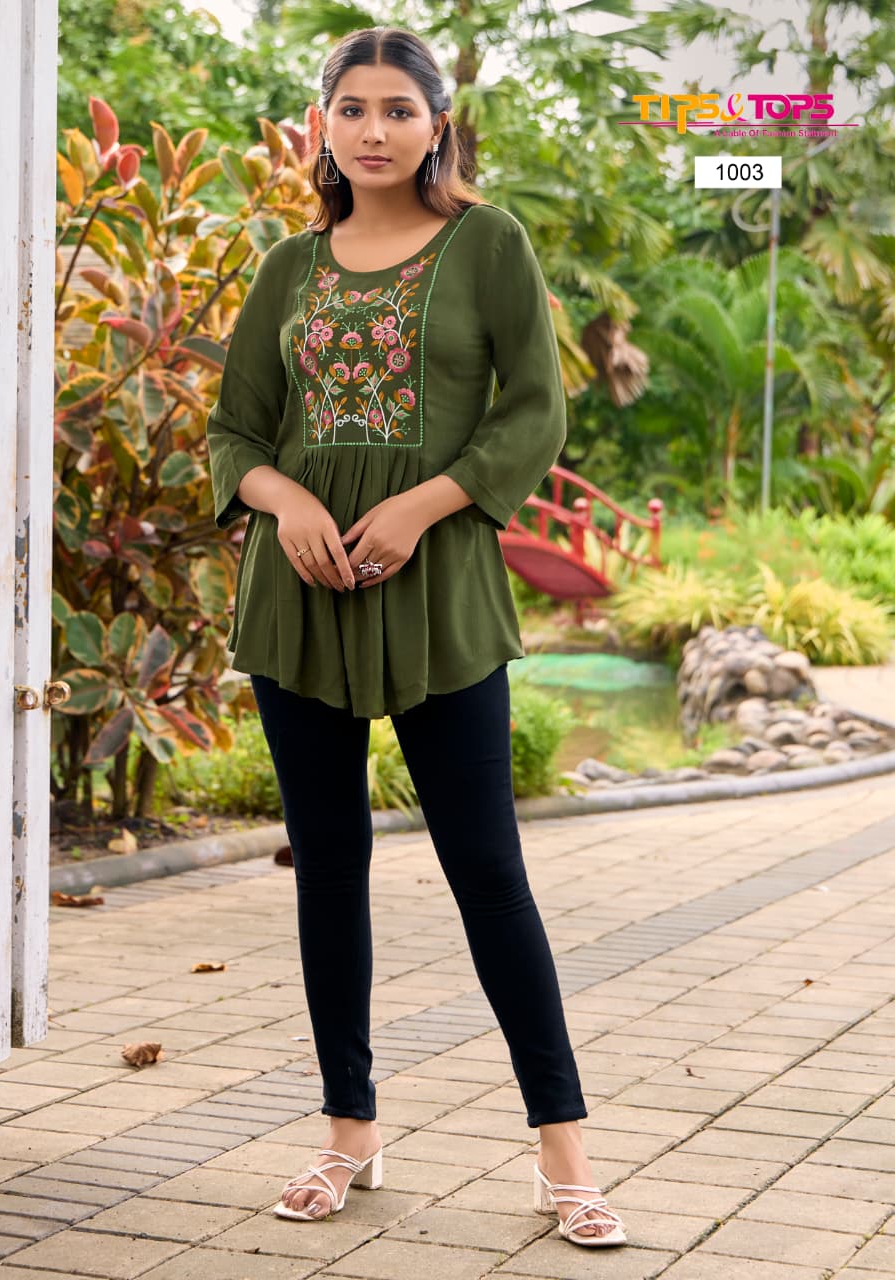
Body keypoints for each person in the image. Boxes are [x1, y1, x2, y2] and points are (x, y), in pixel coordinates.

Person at [206, 25, 626, 1249]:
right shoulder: (288, 267)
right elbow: (237, 432)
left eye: (399, 108)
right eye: (353, 108)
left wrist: (423, 503)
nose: (374, 129)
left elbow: (534, 410)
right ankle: (349, 1130)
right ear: (322, 125)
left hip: (439, 592)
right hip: (299, 597)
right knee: (328, 868)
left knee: (487, 870)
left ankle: (565, 1152)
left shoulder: (488, 243)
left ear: (437, 123)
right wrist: (284, 501)